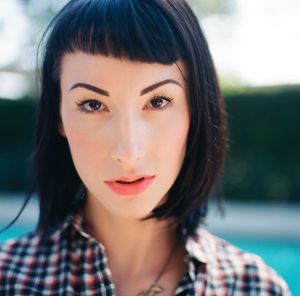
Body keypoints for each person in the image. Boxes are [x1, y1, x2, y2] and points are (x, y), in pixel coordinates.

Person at [0, 0, 290, 295]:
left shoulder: (255, 287)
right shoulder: (8, 278)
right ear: (58, 117)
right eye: (93, 104)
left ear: (196, 109)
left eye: (157, 102)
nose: (128, 151)